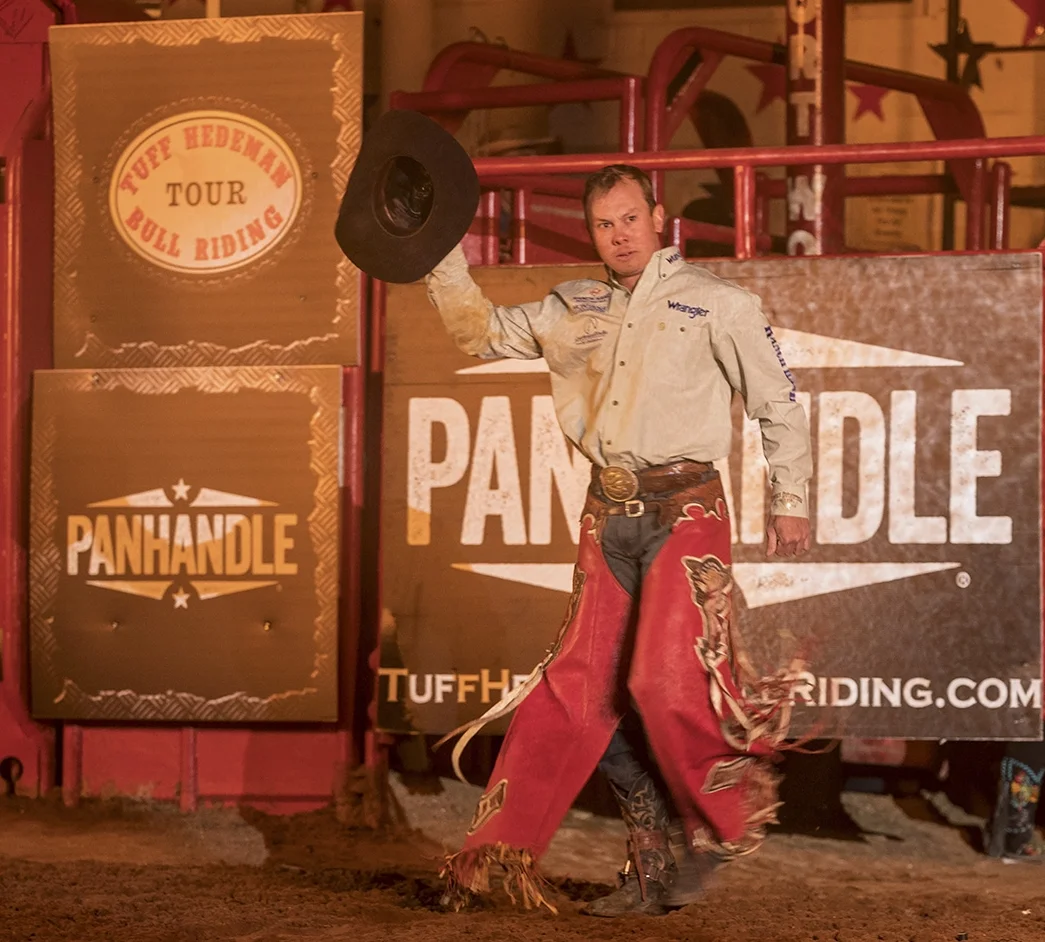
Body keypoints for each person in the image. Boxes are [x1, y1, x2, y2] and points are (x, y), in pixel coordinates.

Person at [424, 164, 813, 914]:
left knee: (661, 684)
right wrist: (439, 254)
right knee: (576, 693)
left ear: (658, 217)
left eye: (630, 219)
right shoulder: (571, 305)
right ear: (592, 231)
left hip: (687, 513)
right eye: (605, 224)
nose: (620, 234)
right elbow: (477, 332)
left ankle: (715, 826)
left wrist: (788, 499)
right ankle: (501, 857)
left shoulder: (721, 305)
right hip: (608, 515)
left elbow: (779, 404)